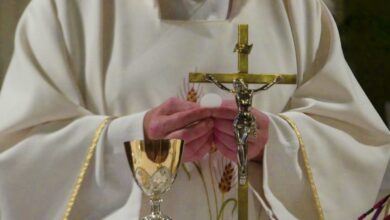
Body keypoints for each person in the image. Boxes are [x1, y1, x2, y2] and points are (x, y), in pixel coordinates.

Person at [0, 0, 389, 219]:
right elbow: (16, 159)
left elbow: (359, 143)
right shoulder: (65, 11)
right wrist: (136, 142)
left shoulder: (297, 10)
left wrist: (278, 143)